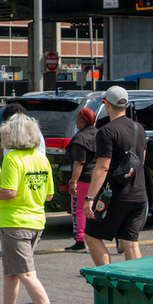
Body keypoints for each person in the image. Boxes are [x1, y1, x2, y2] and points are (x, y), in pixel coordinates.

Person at [0, 114, 52, 304]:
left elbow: (9, 192)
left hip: (15, 222)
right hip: (36, 220)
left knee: (26, 273)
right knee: (11, 272)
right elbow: (49, 195)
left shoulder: (12, 159)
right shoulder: (41, 159)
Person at [83, 86, 147, 266]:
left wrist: (90, 198)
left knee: (92, 235)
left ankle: (108, 282)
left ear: (106, 105)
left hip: (115, 197)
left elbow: (102, 167)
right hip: (138, 194)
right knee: (130, 242)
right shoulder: (139, 128)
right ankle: (136, 287)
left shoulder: (107, 131)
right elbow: (141, 160)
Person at [64, 107, 97, 251]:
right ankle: (96, 237)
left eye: (77, 118)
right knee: (96, 208)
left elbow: (79, 162)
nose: (76, 121)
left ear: (82, 120)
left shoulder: (80, 138)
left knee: (79, 210)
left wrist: (74, 182)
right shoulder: (100, 134)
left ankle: (80, 239)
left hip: (83, 179)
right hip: (98, 178)